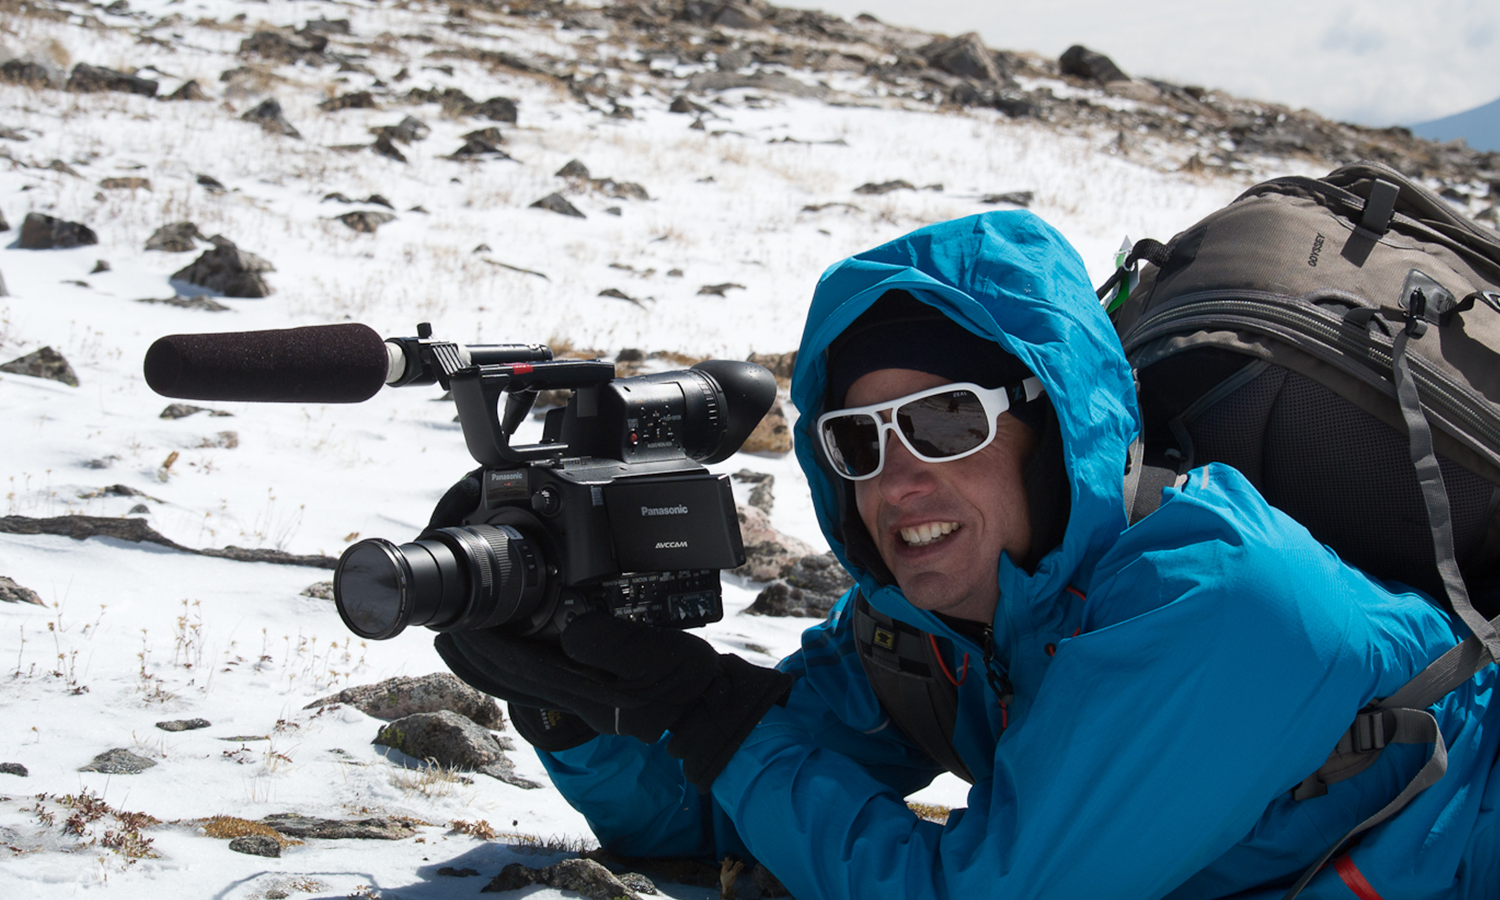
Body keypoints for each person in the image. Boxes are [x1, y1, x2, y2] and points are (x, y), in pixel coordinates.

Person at [436, 211, 1499, 898]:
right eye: (858, 442)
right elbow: (723, 810)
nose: (899, 482)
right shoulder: (933, 626)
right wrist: (581, 700)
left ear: (1054, 434)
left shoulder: (1214, 605)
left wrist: (719, 718)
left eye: (948, 422)